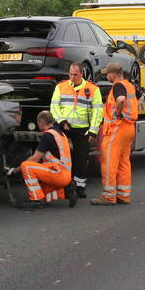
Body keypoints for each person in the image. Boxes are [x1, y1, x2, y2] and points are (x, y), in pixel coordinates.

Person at [50, 62, 103, 198]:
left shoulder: (93, 89)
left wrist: (93, 130)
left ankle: (80, 187)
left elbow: (97, 111)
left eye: (75, 75)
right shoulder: (60, 87)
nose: (72, 77)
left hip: (82, 129)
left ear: (81, 74)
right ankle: (62, 184)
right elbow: (54, 107)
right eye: (70, 74)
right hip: (65, 126)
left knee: (81, 158)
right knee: (60, 156)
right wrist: (61, 121)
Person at [91, 62, 139, 206]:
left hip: (117, 128)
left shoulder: (118, 86)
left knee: (109, 163)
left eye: (107, 74)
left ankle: (109, 196)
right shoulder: (130, 85)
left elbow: (121, 100)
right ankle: (123, 195)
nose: (106, 76)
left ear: (113, 75)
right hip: (129, 127)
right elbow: (141, 97)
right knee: (124, 163)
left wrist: (118, 113)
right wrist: (130, 112)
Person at [16, 111, 78, 209]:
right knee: (42, 195)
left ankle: (35, 200)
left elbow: (35, 158)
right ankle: (66, 192)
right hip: (65, 174)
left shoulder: (48, 135)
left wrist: (17, 169)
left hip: (58, 174)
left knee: (26, 166)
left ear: (41, 122)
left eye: (38, 122)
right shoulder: (60, 133)